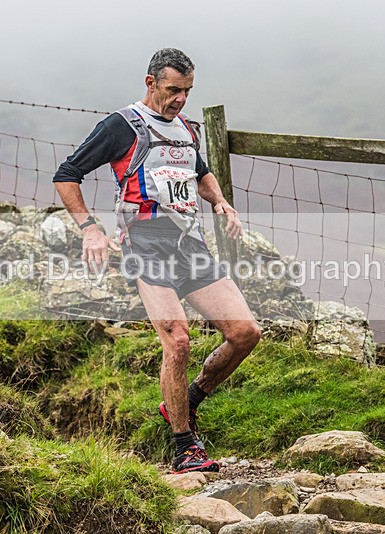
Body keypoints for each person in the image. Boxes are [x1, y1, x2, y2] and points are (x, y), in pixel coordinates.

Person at [53, 48, 261, 473]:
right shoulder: (120, 125)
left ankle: (188, 399)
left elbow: (199, 173)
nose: (181, 99)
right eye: (173, 90)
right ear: (150, 83)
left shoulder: (185, 128)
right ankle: (184, 446)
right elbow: (66, 174)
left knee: (245, 333)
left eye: (187, 91)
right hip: (144, 243)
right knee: (178, 339)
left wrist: (220, 201)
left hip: (190, 244)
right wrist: (90, 228)